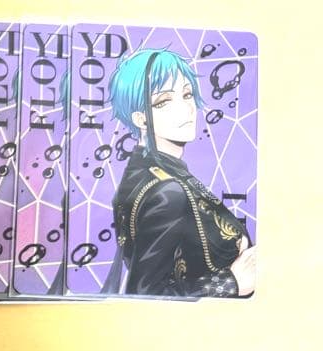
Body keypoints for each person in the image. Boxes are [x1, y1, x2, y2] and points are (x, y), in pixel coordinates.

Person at [104, 49, 256, 297]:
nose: (186, 109)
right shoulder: (167, 191)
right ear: (141, 119)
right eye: (163, 101)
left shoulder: (151, 173)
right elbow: (144, 294)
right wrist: (231, 283)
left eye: (187, 94)